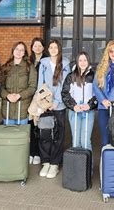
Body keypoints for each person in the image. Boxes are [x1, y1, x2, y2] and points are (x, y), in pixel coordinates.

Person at [36, 39, 70, 179]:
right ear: (48, 49)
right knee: (44, 133)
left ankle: (55, 163)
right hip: (46, 105)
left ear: (59, 49)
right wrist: (43, 102)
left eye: (56, 47)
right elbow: (40, 84)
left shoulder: (66, 63)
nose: (53, 49)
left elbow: (65, 85)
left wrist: (57, 101)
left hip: (59, 105)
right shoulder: (43, 63)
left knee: (58, 135)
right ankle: (46, 162)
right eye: (51, 47)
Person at [62, 52, 98, 150]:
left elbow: (98, 94)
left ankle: (87, 165)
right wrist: (73, 106)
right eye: (80, 60)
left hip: (88, 111)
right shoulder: (71, 76)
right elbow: (65, 93)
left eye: (85, 60)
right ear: (77, 62)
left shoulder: (93, 76)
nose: (82, 63)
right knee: (75, 141)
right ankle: (77, 164)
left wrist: (90, 105)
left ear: (88, 61)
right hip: (75, 111)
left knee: (85, 141)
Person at [0, 42, 37, 125]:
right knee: (8, 135)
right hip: (7, 108)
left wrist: (19, 95)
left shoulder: (29, 67)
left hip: (23, 108)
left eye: (21, 50)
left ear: (24, 53)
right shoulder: (5, 67)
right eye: (16, 49)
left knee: (21, 135)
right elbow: (0, 87)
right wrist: (7, 95)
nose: (18, 52)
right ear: (13, 51)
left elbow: (32, 87)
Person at [28, 37, 48, 165]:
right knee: (31, 126)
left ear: (43, 48)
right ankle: (32, 152)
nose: (37, 48)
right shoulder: (28, 60)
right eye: (35, 46)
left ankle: (40, 153)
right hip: (30, 97)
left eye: (40, 46)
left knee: (40, 126)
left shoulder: (46, 61)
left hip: (41, 97)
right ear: (32, 47)